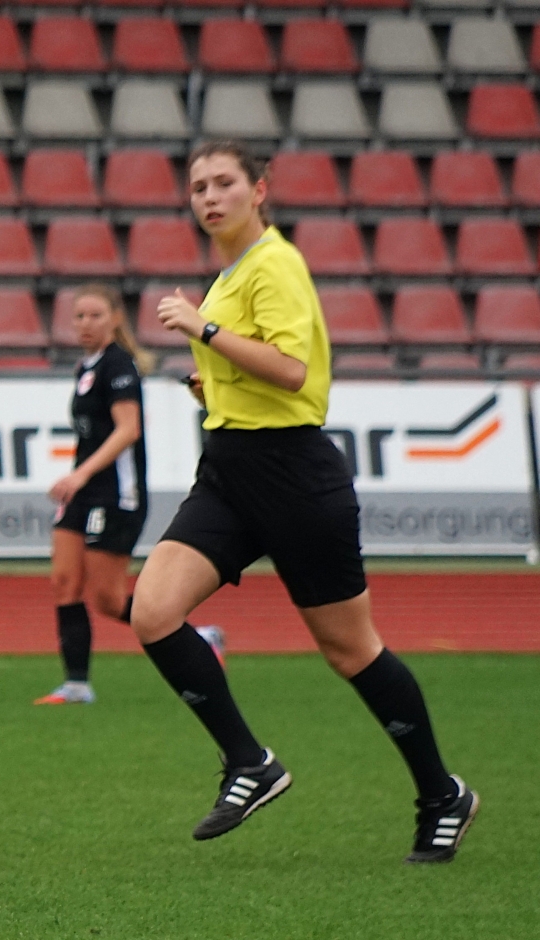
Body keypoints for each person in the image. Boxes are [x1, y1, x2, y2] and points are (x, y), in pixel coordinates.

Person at [137, 141, 477, 862]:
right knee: (153, 611)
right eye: (198, 187)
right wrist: (210, 382)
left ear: (259, 189)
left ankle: (441, 794)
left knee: (350, 649)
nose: (210, 197)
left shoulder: (275, 264)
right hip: (229, 470)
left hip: (293, 475)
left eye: (224, 182)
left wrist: (203, 328)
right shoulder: (231, 274)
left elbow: (293, 373)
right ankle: (250, 762)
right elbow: (255, 371)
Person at [35, 284, 153, 706]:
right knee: (64, 581)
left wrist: (80, 474)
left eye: (95, 315)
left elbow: (128, 430)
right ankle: (76, 684)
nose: (86, 324)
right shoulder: (86, 367)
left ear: (115, 318)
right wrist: (78, 479)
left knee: (107, 599)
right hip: (83, 490)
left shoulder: (118, 366)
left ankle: (197, 636)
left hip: (115, 493)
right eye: (79, 316)